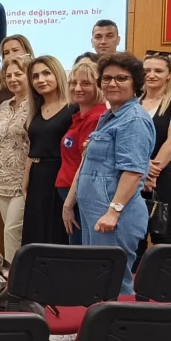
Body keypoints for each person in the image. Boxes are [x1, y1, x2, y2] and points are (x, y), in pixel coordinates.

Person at [64, 53, 155, 294]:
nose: (112, 83)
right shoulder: (110, 116)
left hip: (114, 217)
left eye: (121, 78)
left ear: (135, 83)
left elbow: (133, 172)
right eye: (107, 78)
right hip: (95, 213)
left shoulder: (133, 120)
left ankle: (121, 320)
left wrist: (113, 213)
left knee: (114, 284)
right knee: (96, 280)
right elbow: (88, 163)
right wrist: (70, 203)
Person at [134, 50, 171, 268]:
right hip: (132, 173)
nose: (151, 75)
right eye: (147, 70)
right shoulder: (133, 102)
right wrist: (142, 169)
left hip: (163, 176)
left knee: (161, 233)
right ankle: (132, 285)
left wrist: (152, 172)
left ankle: (164, 282)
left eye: (158, 70)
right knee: (135, 234)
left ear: (169, 74)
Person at [20, 56, 73, 247]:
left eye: (46, 73)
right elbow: (33, 148)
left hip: (61, 176)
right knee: (35, 231)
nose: (40, 80)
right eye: (35, 76)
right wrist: (25, 182)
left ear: (57, 74)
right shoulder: (35, 109)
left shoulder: (72, 109)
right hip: (37, 177)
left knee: (56, 232)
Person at [58, 60, 107, 244]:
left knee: (81, 251)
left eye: (85, 83)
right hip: (71, 193)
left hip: (80, 196)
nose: (77, 88)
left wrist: (69, 204)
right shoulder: (80, 116)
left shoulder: (96, 118)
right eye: (73, 83)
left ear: (98, 86)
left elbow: (86, 164)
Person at [0, 56, 31, 264]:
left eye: (18, 74)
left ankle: (13, 278)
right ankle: (15, 274)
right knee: (10, 230)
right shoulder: (3, 105)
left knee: (12, 231)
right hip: (0, 180)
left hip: (23, 181)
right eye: (9, 75)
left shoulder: (36, 104)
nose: (13, 79)